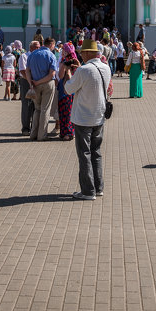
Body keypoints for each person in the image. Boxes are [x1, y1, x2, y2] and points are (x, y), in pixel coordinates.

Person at [64, 38, 111, 200]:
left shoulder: (83, 71)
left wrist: (71, 73)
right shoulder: (106, 68)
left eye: (82, 52)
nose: (80, 55)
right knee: (96, 153)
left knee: (84, 154)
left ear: (88, 53)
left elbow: (69, 89)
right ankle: (98, 187)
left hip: (83, 118)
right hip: (99, 116)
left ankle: (87, 191)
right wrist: (79, 70)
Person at [27, 37, 58, 141]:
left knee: (37, 109)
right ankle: (42, 135)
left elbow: (27, 70)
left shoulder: (32, 54)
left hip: (34, 85)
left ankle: (33, 134)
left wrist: (31, 82)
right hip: (47, 84)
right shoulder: (51, 55)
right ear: (51, 44)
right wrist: (39, 82)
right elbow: (52, 74)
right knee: (45, 110)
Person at [57, 42, 80, 140]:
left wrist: (64, 67)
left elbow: (60, 76)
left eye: (64, 50)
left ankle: (67, 133)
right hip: (74, 90)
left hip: (66, 90)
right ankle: (71, 132)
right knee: (71, 111)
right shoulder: (75, 60)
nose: (62, 52)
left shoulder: (72, 61)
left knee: (65, 111)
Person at [18, 40, 39, 135]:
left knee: (36, 105)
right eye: (36, 47)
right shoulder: (24, 56)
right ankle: (25, 128)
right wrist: (30, 81)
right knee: (26, 105)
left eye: (39, 47)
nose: (38, 49)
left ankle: (34, 127)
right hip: (26, 82)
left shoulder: (39, 56)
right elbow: (22, 71)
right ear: (31, 48)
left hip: (37, 82)